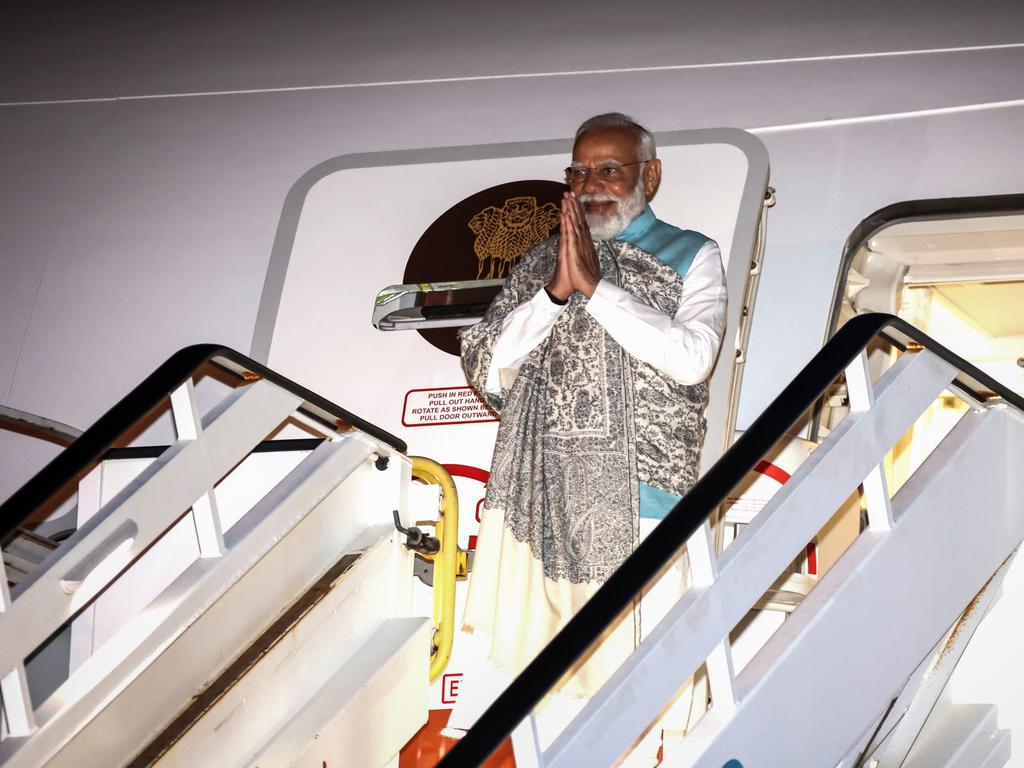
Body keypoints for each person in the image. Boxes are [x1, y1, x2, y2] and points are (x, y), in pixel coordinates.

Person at [455, 113, 727, 760]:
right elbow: (487, 365)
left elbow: (692, 358)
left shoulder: (691, 253)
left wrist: (598, 291)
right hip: (541, 504)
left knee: (638, 698)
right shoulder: (537, 265)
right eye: (579, 171)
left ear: (650, 176)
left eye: (610, 168)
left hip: (642, 501)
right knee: (543, 698)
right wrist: (554, 294)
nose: (592, 184)